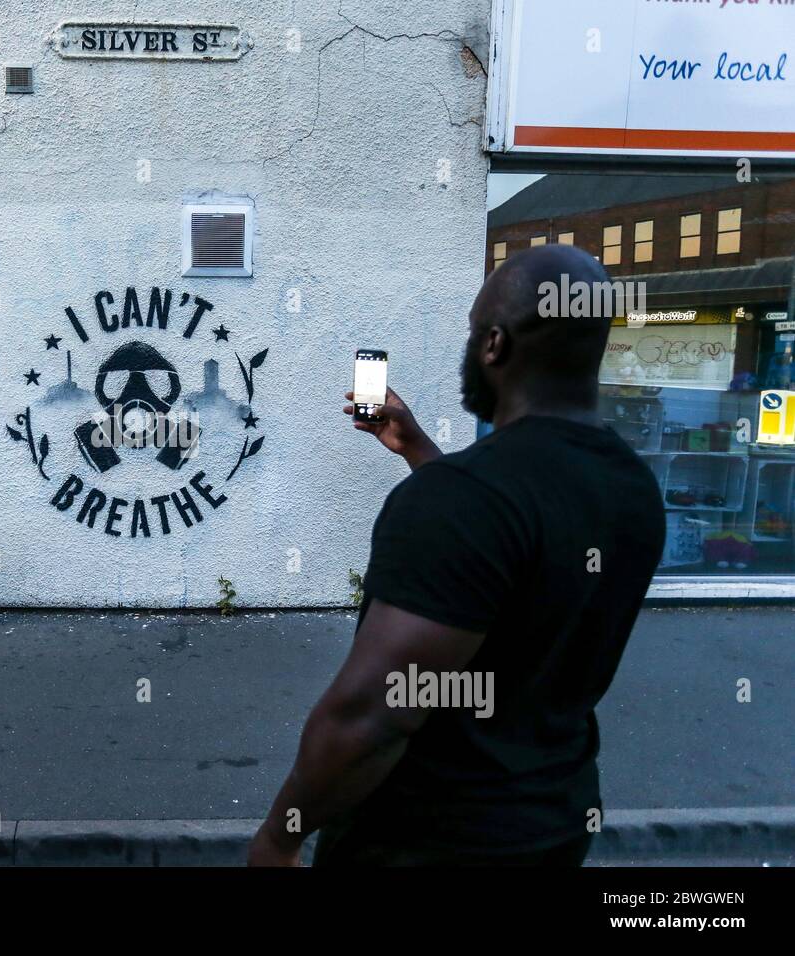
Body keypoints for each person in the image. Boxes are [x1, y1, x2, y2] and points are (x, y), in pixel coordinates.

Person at [249, 245, 666, 866]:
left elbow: (374, 715)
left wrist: (279, 837)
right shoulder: (633, 488)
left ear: (494, 345)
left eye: (474, 331)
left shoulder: (461, 500)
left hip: (425, 842)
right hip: (554, 826)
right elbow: (520, 551)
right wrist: (417, 448)